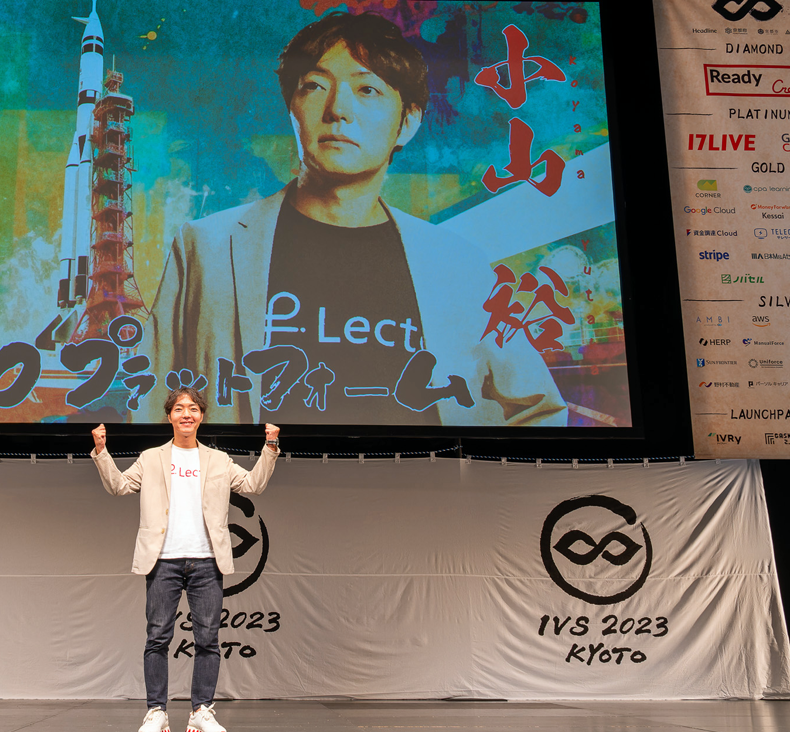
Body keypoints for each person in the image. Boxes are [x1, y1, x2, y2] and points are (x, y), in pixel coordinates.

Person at [143, 11, 566, 427]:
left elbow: (540, 408)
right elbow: (150, 403)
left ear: (408, 122)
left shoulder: (459, 264)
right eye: (314, 86)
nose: (338, 109)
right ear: (292, 109)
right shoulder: (205, 247)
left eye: (368, 89)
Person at [92, 386, 280, 732]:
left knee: (208, 640)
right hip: (162, 561)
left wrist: (270, 447)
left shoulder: (218, 460)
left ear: (201, 416)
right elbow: (119, 486)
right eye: (179, 408)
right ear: (169, 416)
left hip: (207, 561)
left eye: (193, 408)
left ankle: (201, 712)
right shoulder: (151, 458)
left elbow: (253, 484)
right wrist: (102, 452)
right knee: (157, 638)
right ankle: (156, 712)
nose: (186, 414)